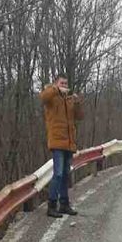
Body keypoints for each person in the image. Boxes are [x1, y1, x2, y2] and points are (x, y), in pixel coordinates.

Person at [39, 74, 84, 218]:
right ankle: (51, 205)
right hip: (57, 141)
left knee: (65, 174)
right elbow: (43, 98)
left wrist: (76, 102)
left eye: (65, 83)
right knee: (57, 174)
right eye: (61, 83)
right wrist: (55, 89)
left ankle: (64, 204)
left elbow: (80, 116)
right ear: (56, 84)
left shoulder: (69, 100)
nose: (64, 85)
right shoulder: (51, 97)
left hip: (69, 142)